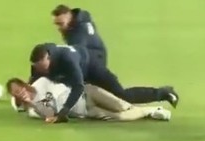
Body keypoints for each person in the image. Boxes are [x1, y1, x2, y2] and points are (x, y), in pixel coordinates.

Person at [28, 43, 177, 118]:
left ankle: (163, 93)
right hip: (75, 74)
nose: (42, 70)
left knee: (122, 96)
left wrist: (64, 111)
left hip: (92, 69)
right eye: (38, 68)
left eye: (43, 66)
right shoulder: (39, 64)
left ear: (48, 58)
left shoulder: (67, 59)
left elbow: (78, 86)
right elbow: (34, 79)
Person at [7, 77, 171, 122]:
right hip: (86, 111)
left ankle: (160, 96)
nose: (20, 93)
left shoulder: (42, 81)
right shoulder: (34, 111)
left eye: (19, 89)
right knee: (120, 117)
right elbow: (51, 115)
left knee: (121, 106)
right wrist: (31, 103)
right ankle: (152, 111)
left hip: (87, 93)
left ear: (24, 84)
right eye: (17, 94)